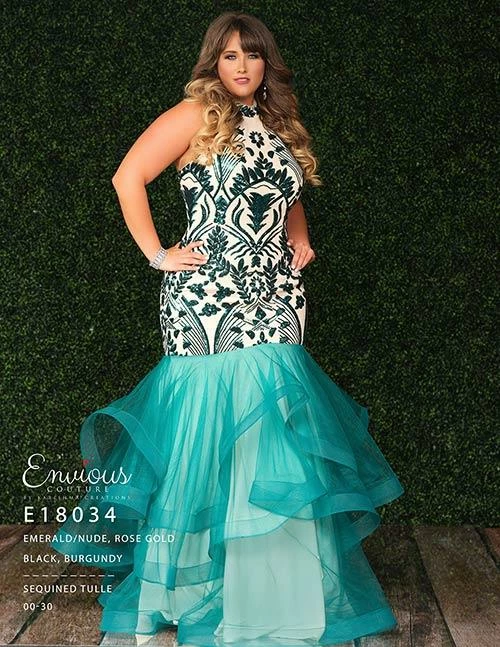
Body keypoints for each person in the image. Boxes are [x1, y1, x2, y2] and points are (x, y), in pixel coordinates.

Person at [51, 11, 404, 647]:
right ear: (214, 61)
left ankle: (277, 595)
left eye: (253, 54)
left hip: (277, 299)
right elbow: (127, 177)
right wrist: (158, 254)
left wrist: (300, 239)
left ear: (268, 63)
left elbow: (287, 193)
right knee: (209, 436)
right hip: (208, 301)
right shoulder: (195, 115)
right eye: (231, 55)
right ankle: (192, 589)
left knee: (273, 434)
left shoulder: (277, 124)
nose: (242, 66)